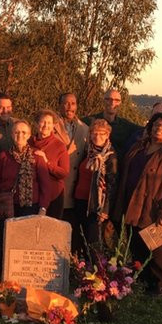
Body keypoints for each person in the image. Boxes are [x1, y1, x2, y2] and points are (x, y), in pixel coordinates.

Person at [114, 112, 162, 297]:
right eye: (156, 125)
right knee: (137, 246)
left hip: (153, 209)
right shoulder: (139, 147)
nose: (159, 129)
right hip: (132, 203)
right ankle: (144, 281)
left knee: (157, 249)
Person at [0, 120, 55, 259]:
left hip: (30, 207)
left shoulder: (37, 156)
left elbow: (45, 185)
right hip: (7, 207)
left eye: (24, 132)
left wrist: (43, 208)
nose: (20, 135)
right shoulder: (4, 156)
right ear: (12, 134)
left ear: (29, 135)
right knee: (6, 244)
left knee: (26, 244)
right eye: (16, 132)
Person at [72, 118, 116, 251]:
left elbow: (112, 184)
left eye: (102, 133)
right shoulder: (88, 152)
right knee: (80, 241)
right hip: (80, 201)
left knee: (93, 243)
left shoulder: (110, 156)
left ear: (107, 135)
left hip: (95, 206)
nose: (97, 136)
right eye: (94, 133)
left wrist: (105, 210)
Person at [55, 93, 89, 242]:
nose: (70, 107)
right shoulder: (50, 125)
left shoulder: (85, 129)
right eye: (66, 103)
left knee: (71, 234)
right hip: (55, 185)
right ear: (59, 105)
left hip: (75, 190)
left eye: (73, 103)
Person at [29, 109, 69, 219]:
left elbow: (64, 173)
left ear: (53, 126)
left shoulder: (59, 146)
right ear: (36, 123)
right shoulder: (28, 142)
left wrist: (46, 162)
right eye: (43, 122)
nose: (46, 125)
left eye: (49, 123)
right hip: (32, 195)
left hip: (54, 195)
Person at [84, 88, 141, 155]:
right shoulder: (89, 121)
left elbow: (145, 131)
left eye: (117, 100)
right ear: (103, 101)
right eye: (109, 99)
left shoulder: (127, 126)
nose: (112, 103)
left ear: (120, 103)